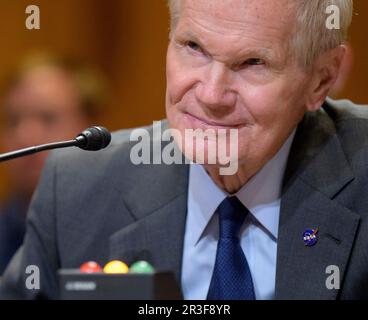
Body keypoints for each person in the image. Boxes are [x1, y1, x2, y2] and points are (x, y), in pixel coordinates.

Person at [1, 0, 368, 300]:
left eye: (253, 63)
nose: (210, 95)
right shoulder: (77, 189)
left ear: (322, 78)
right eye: (194, 48)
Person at [0, 53, 107, 274]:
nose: (25, 136)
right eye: (13, 120)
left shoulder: (122, 229)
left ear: (92, 128)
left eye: (48, 118)